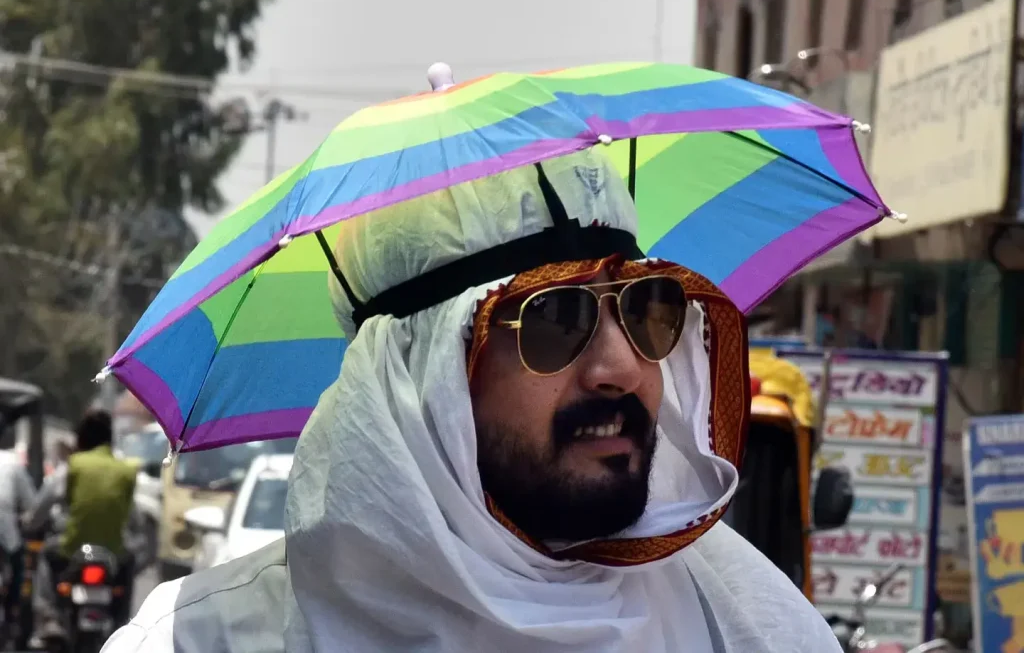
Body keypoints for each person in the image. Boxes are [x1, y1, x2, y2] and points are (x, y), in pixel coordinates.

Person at [104, 147, 840, 652]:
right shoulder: (204, 639)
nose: (621, 366)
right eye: (557, 320)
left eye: (644, 307)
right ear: (418, 379)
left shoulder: (748, 624)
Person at [30, 409, 137, 641]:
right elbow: (134, 518)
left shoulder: (74, 465)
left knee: (46, 554)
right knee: (130, 564)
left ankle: (49, 616)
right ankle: (125, 624)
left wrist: (31, 522)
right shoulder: (126, 471)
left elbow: (46, 501)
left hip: (72, 549)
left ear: (81, 439)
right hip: (114, 553)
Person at [0, 421, 36, 631]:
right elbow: (32, 503)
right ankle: (13, 610)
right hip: (7, 533)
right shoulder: (13, 464)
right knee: (18, 568)